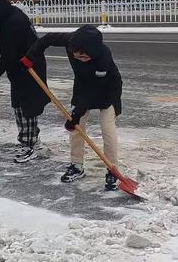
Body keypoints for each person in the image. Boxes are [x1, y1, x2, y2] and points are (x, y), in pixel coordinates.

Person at [22, 24, 122, 190]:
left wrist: (76, 113)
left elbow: (94, 90)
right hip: (82, 86)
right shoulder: (71, 41)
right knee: (77, 128)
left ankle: (113, 170)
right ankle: (76, 165)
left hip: (107, 89)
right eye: (78, 56)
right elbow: (46, 40)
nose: (81, 59)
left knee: (107, 128)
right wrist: (31, 56)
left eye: (85, 57)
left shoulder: (103, 57)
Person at [0, 0, 49, 163]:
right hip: (20, 70)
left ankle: (31, 145)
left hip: (29, 68)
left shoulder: (13, 22)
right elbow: (12, 41)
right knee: (19, 106)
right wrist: (0, 39)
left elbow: (9, 55)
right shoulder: (8, 16)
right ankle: (30, 141)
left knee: (28, 108)